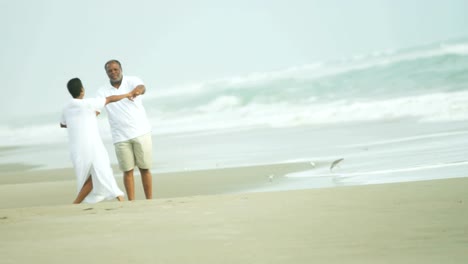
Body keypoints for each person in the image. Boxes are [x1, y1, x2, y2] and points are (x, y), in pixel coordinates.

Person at [60, 77, 135, 204]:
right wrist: (127, 94)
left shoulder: (66, 107)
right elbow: (110, 99)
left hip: (76, 148)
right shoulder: (89, 103)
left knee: (89, 175)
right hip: (92, 145)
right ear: (82, 90)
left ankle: (77, 202)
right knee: (103, 170)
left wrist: (81, 119)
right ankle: (120, 198)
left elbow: (63, 124)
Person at [96, 60, 153, 200]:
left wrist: (137, 91)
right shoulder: (102, 91)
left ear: (121, 69)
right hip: (120, 136)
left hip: (141, 132)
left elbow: (142, 87)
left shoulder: (132, 80)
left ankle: (149, 200)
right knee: (127, 171)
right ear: (106, 73)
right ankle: (131, 202)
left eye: (116, 69)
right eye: (110, 71)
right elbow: (99, 106)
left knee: (144, 168)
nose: (113, 72)